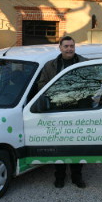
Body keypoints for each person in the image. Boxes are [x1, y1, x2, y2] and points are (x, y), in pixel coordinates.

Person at [38, 36, 87, 189]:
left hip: (78, 110)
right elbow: (41, 84)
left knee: (77, 146)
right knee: (59, 145)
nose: (69, 49)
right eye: (66, 46)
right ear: (60, 47)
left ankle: (77, 177)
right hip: (57, 110)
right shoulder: (50, 66)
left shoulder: (85, 63)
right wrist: (55, 93)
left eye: (72, 46)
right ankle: (59, 177)